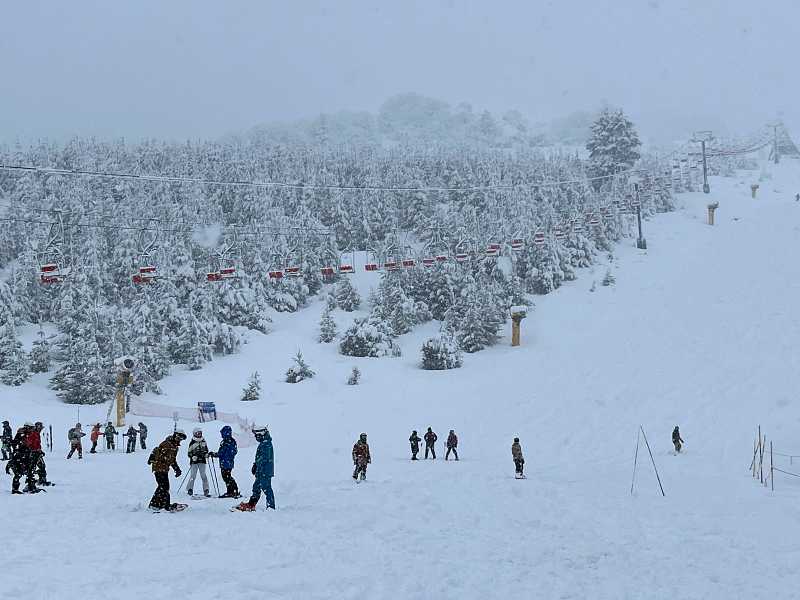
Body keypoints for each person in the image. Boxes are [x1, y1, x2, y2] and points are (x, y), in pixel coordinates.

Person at [234, 425, 275, 511]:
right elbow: (260, 458)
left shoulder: (266, 444)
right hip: (261, 470)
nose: (256, 437)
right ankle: (251, 504)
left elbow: (265, 458)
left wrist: (257, 465)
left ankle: (271, 507)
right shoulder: (263, 443)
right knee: (256, 487)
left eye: (257, 435)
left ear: (262, 434)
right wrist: (255, 465)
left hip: (265, 471)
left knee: (266, 488)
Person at [147, 430, 187, 512]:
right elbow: (159, 454)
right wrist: (155, 459)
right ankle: (163, 505)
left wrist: (177, 469)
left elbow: (172, 460)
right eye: (178, 437)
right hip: (158, 467)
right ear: (175, 436)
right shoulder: (166, 444)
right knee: (164, 487)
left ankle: (156, 504)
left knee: (162, 487)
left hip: (164, 469)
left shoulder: (175, 447)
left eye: (181, 439)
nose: (179, 439)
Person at [209, 425, 239, 498]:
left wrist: (214, 454)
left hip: (226, 462)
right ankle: (232, 491)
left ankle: (233, 491)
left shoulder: (227, 442)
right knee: (227, 476)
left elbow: (221, 453)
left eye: (222, 433)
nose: (221, 435)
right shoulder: (230, 441)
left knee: (226, 477)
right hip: (227, 462)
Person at [186, 428, 210, 497]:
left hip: (202, 461)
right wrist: (192, 456)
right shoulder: (192, 442)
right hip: (194, 462)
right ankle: (190, 489)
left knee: (203, 476)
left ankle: (206, 489)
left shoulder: (203, 441)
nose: (199, 434)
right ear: (194, 434)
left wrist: (206, 454)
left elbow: (206, 450)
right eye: (197, 433)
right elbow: (189, 453)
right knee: (193, 475)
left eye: (200, 433)